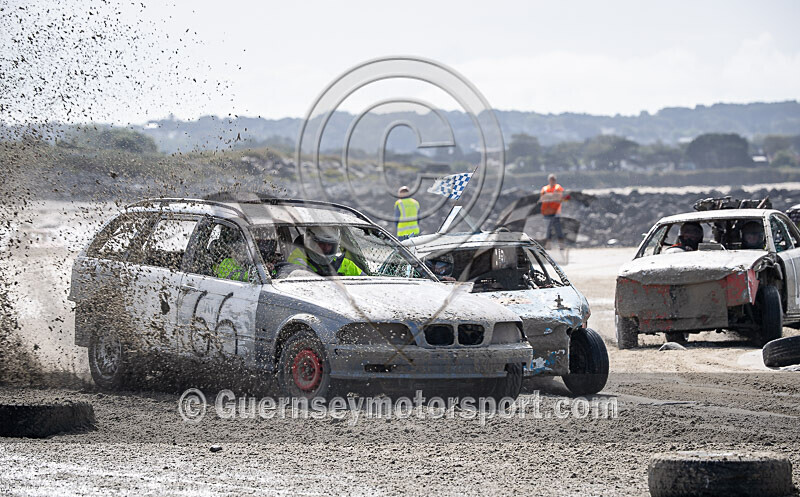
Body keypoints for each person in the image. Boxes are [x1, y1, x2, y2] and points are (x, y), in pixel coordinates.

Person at [288, 226, 363, 276]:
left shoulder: (345, 264)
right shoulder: (297, 261)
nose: (326, 248)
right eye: (321, 244)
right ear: (310, 243)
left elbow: (368, 281)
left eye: (330, 244)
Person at [540, 174, 569, 247]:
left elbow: (559, 197)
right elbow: (543, 198)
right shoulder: (545, 188)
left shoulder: (558, 188)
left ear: (555, 180)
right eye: (551, 180)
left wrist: (550, 197)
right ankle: (548, 246)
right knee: (548, 230)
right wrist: (552, 196)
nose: (552, 181)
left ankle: (561, 246)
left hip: (555, 212)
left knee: (558, 229)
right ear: (549, 180)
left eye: (553, 180)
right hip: (546, 212)